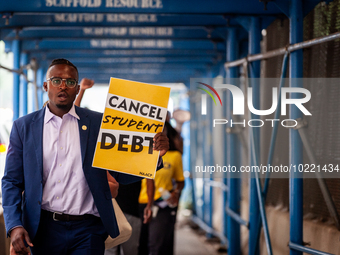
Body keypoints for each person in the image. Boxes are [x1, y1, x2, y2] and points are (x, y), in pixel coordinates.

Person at [2, 58, 168, 255]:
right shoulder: (24, 127)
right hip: (42, 229)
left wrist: (154, 157)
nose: (63, 86)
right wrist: (14, 225)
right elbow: (11, 181)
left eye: (70, 82)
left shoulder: (100, 124)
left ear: (78, 88)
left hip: (88, 231)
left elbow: (121, 174)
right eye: (56, 80)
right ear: (46, 85)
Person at [74, 77, 155, 255]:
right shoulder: (104, 139)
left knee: (128, 250)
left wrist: (149, 203)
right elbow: (75, 118)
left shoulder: (140, 143)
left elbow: (148, 175)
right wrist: (82, 91)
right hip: (107, 207)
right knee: (112, 251)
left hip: (127, 208)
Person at [138, 121, 185, 255]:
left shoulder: (175, 156)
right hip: (141, 202)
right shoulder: (141, 152)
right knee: (142, 245)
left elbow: (181, 182)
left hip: (162, 205)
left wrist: (175, 193)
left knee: (156, 245)